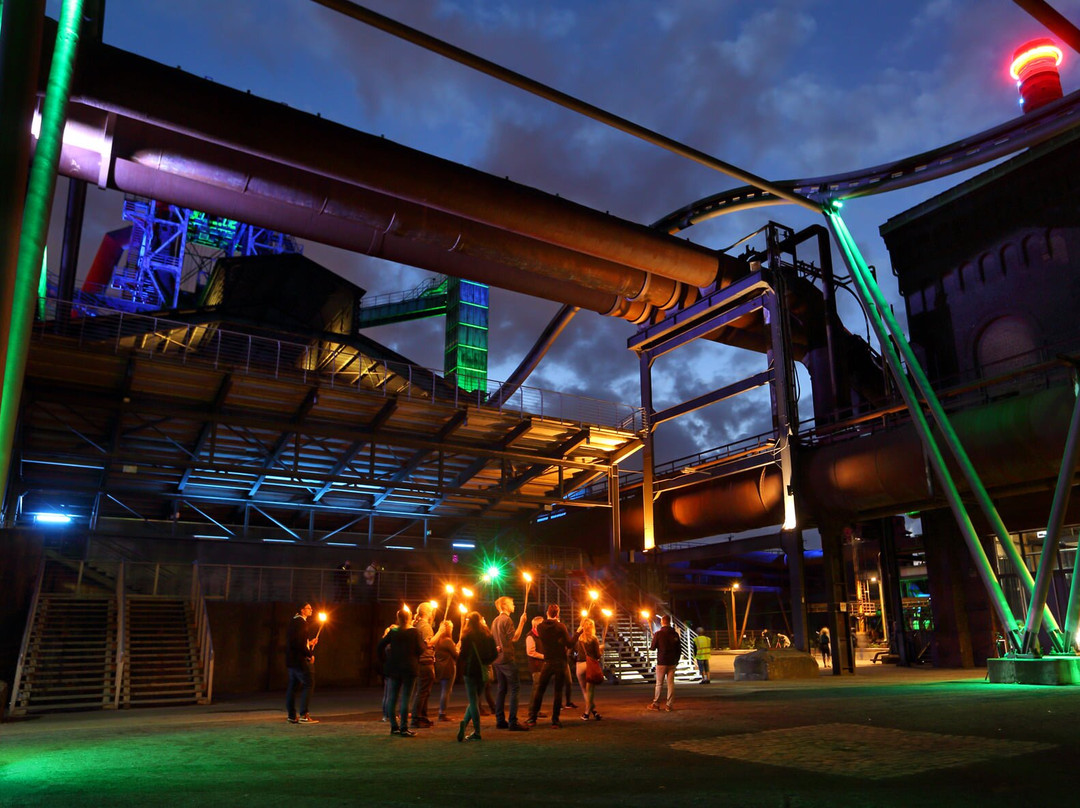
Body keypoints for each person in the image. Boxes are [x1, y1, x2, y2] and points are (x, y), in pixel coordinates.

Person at [526, 604, 582, 728]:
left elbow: (549, 638)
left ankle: (532, 718)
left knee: (540, 690)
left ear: (547, 613)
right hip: (560, 662)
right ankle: (555, 721)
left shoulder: (540, 627)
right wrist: (578, 632)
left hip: (547, 662)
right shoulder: (560, 626)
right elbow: (570, 643)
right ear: (557, 614)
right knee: (558, 692)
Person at [377, 608, 423, 737]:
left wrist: (384, 660)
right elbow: (420, 649)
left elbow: (380, 645)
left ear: (398, 618)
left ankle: (394, 726)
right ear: (409, 617)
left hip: (394, 668)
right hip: (409, 668)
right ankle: (404, 727)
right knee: (406, 698)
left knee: (392, 697)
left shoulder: (394, 631)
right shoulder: (414, 632)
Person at [490, 596, 530, 731]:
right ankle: (513, 721)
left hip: (497, 660)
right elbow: (515, 638)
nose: (514, 605)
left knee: (501, 689)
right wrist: (522, 622)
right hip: (506, 659)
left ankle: (500, 720)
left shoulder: (495, 621)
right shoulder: (506, 620)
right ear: (504, 605)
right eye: (511, 603)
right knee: (515, 688)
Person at [457, 610, 497, 741]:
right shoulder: (487, 634)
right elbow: (495, 654)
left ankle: (477, 731)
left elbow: (462, 656)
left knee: (473, 701)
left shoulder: (467, 636)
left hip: (470, 671)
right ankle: (465, 722)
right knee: (475, 700)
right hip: (483, 671)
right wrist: (486, 662)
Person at [409, 602, 445, 729]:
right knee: (422, 692)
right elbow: (429, 644)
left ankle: (422, 717)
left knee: (424, 691)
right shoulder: (425, 627)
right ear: (428, 612)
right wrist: (440, 632)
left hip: (421, 662)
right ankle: (416, 718)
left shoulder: (418, 625)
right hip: (425, 662)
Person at [285, 602, 319, 724]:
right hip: (299, 660)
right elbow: (299, 644)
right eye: (308, 608)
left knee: (292, 687)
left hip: (291, 660)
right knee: (309, 683)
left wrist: (309, 643)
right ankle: (304, 714)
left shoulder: (293, 621)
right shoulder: (301, 622)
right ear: (302, 610)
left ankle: (291, 715)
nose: (311, 610)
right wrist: (309, 654)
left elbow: (296, 641)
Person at [647, 615, 680, 712]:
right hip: (672, 662)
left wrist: (654, 639)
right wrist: (676, 661)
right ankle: (669, 705)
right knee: (671, 684)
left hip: (662, 661)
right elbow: (679, 649)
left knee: (659, 684)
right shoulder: (675, 634)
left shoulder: (658, 634)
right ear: (669, 622)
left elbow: (652, 647)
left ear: (662, 622)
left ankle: (656, 703)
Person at [574, 616, 603, 720]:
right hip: (589, 665)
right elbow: (597, 655)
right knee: (590, 690)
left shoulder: (578, 638)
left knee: (584, 691)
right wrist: (601, 650)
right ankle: (587, 713)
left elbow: (574, 649)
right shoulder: (594, 639)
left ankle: (593, 711)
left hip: (579, 665)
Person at [433, 620, 458, 721]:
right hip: (448, 667)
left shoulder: (438, 640)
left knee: (445, 689)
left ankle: (442, 712)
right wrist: (458, 650)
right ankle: (442, 713)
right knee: (446, 691)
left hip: (440, 667)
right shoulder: (447, 640)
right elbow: (455, 655)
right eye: (451, 628)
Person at [525, 615, 548, 718]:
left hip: (541, 665)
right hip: (536, 666)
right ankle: (532, 711)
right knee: (537, 688)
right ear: (537, 625)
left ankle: (536, 710)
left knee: (539, 688)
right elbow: (530, 652)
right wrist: (544, 656)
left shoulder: (540, 636)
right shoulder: (530, 636)